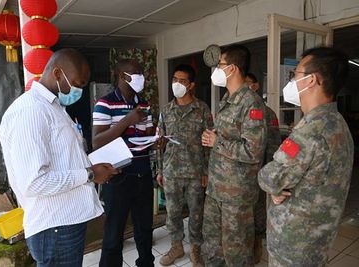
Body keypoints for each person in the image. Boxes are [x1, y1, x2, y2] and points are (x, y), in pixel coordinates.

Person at [0, 48, 118, 267]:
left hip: (65, 222)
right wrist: (90, 174)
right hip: (54, 228)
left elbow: (63, 159)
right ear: (57, 74)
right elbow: (34, 182)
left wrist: (93, 168)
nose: (79, 91)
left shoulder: (53, 108)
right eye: (78, 84)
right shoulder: (31, 111)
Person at [258, 47, 353, 267]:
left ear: (312, 80)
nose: (291, 81)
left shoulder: (311, 132)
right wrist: (278, 187)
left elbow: (270, 177)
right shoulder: (337, 122)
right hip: (316, 241)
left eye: (295, 75)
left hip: (293, 245)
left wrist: (273, 185)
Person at [201, 44, 267, 267]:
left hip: (237, 195)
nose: (216, 70)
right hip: (217, 189)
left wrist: (217, 142)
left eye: (219, 65)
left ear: (233, 68)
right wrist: (215, 138)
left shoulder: (251, 103)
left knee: (236, 252)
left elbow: (253, 151)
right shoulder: (226, 100)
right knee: (212, 246)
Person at [92, 59, 155, 267]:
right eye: (134, 73)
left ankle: (146, 263)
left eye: (141, 73)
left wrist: (157, 139)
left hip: (143, 174)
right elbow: (97, 141)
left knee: (145, 230)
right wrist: (127, 120)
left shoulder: (144, 103)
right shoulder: (105, 103)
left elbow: (146, 136)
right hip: (118, 177)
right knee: (113, 235)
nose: (140, 77)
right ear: (122, 76)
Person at [156, 64, 213, 267]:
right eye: (174, 80)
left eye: (181, 81)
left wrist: (207, 171)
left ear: (191, 85)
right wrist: (160, 170)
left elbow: (209, 144)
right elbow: (160, 143)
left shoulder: (202, 109)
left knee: (197, 213)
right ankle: (176, 246)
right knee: (172, 213)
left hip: (195, 171)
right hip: (171, 171)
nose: (176, 84)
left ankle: (196, 249)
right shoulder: (166, 111)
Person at [246, 72, 281, 263]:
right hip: (240, 176)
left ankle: (257, 246)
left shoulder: (269, 114)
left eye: (248, 84)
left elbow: (274, 146)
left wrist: (268, 175)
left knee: (259, 214)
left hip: (260, 173)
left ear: (256, 86)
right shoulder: (236, 112)